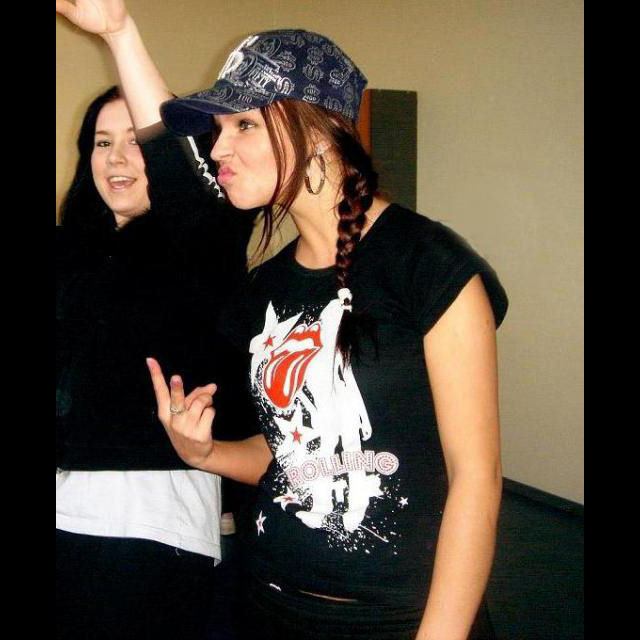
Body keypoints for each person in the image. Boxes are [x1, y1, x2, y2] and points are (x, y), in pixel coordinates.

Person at [144, 27, 509, 640]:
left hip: (397, 621)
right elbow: (290, 455)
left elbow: (477, 476)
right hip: (268, 607)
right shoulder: (264, 291)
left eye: (244, 125)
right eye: (218, 129)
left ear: (319, 131)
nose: (218, 148)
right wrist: (205, 454)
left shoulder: (428, 266)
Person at [55, 12, 256, 637]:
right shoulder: (71, 254)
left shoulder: (201, 244)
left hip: (150, 523)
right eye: (101, 142)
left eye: (134, 141)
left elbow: (180, 161)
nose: (118, 158)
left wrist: (119, 33)